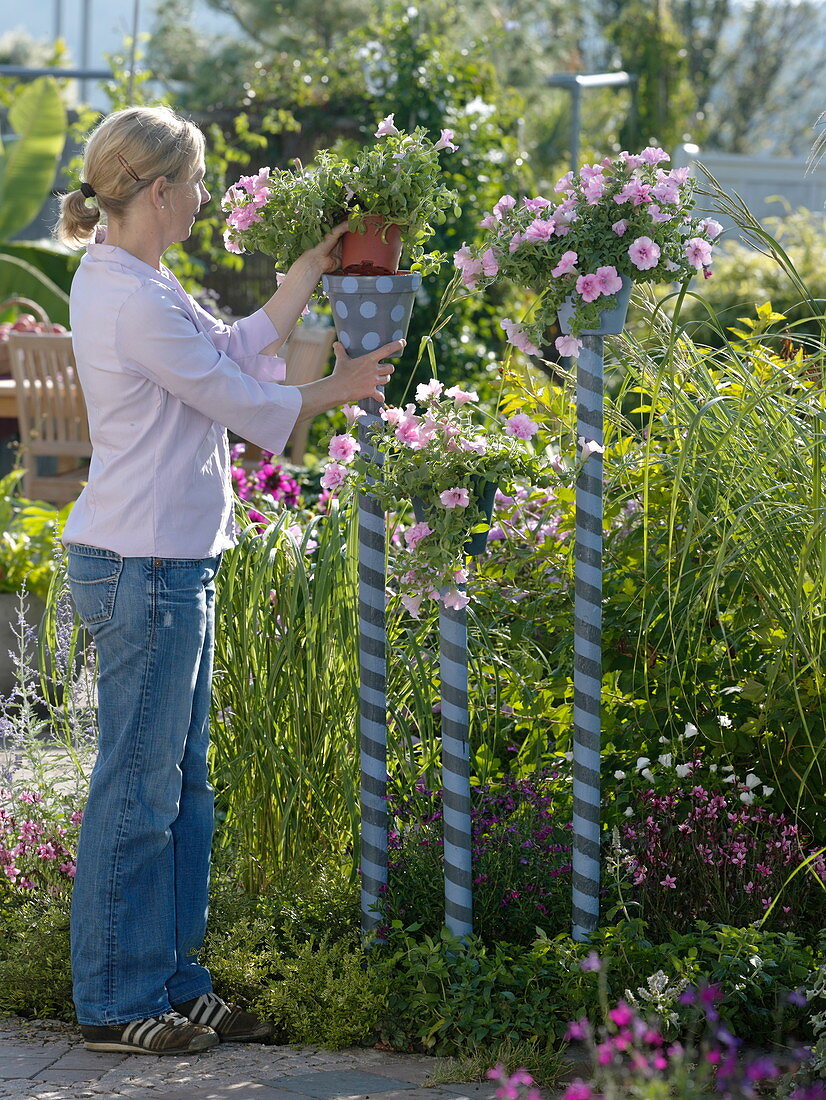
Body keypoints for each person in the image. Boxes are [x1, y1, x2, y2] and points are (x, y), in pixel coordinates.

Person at [54, 105, 399, 1056]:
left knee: (181, 790)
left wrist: (304, 276)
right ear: (160, 192)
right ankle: (118, 1001)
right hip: (145, 567)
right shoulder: (124, 294)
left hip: (173, 564)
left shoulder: (141, 281)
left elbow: (230, 352)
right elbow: (234, 398)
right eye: (197, 183)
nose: (204, 199)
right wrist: (344, 384)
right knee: (139, 790)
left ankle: (173, 981)